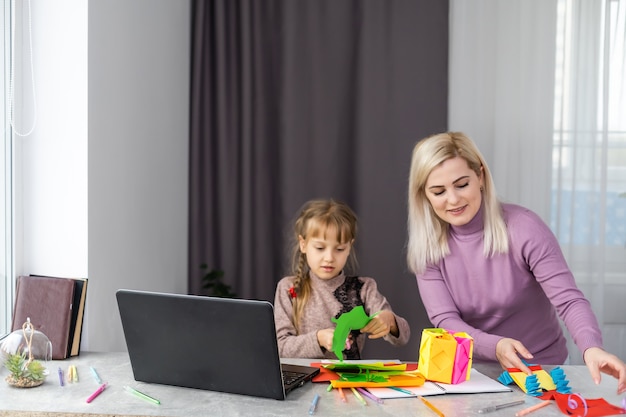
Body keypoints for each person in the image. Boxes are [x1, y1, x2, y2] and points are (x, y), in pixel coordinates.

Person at [406, 131, 626, 394]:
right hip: (472, 375)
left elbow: (568, 301)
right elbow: (446, 320)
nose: (453, 200)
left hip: (542, 369)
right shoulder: (427, 248)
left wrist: (591, 347)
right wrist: (495, 346)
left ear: (481, 177)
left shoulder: (525, 228)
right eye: (439, 191)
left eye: (462, 184)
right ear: (425, 196)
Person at [274, 198, 410, 359]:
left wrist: (390, 320)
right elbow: (280, 347)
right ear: (303, 244)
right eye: (320, 248)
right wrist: (318, 339)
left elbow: (403, 337)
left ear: (349, 247)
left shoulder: (364, 288)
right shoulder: (288, 288)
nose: (329, 257)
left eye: (339, 249)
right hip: (304, 381)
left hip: (347, 381)